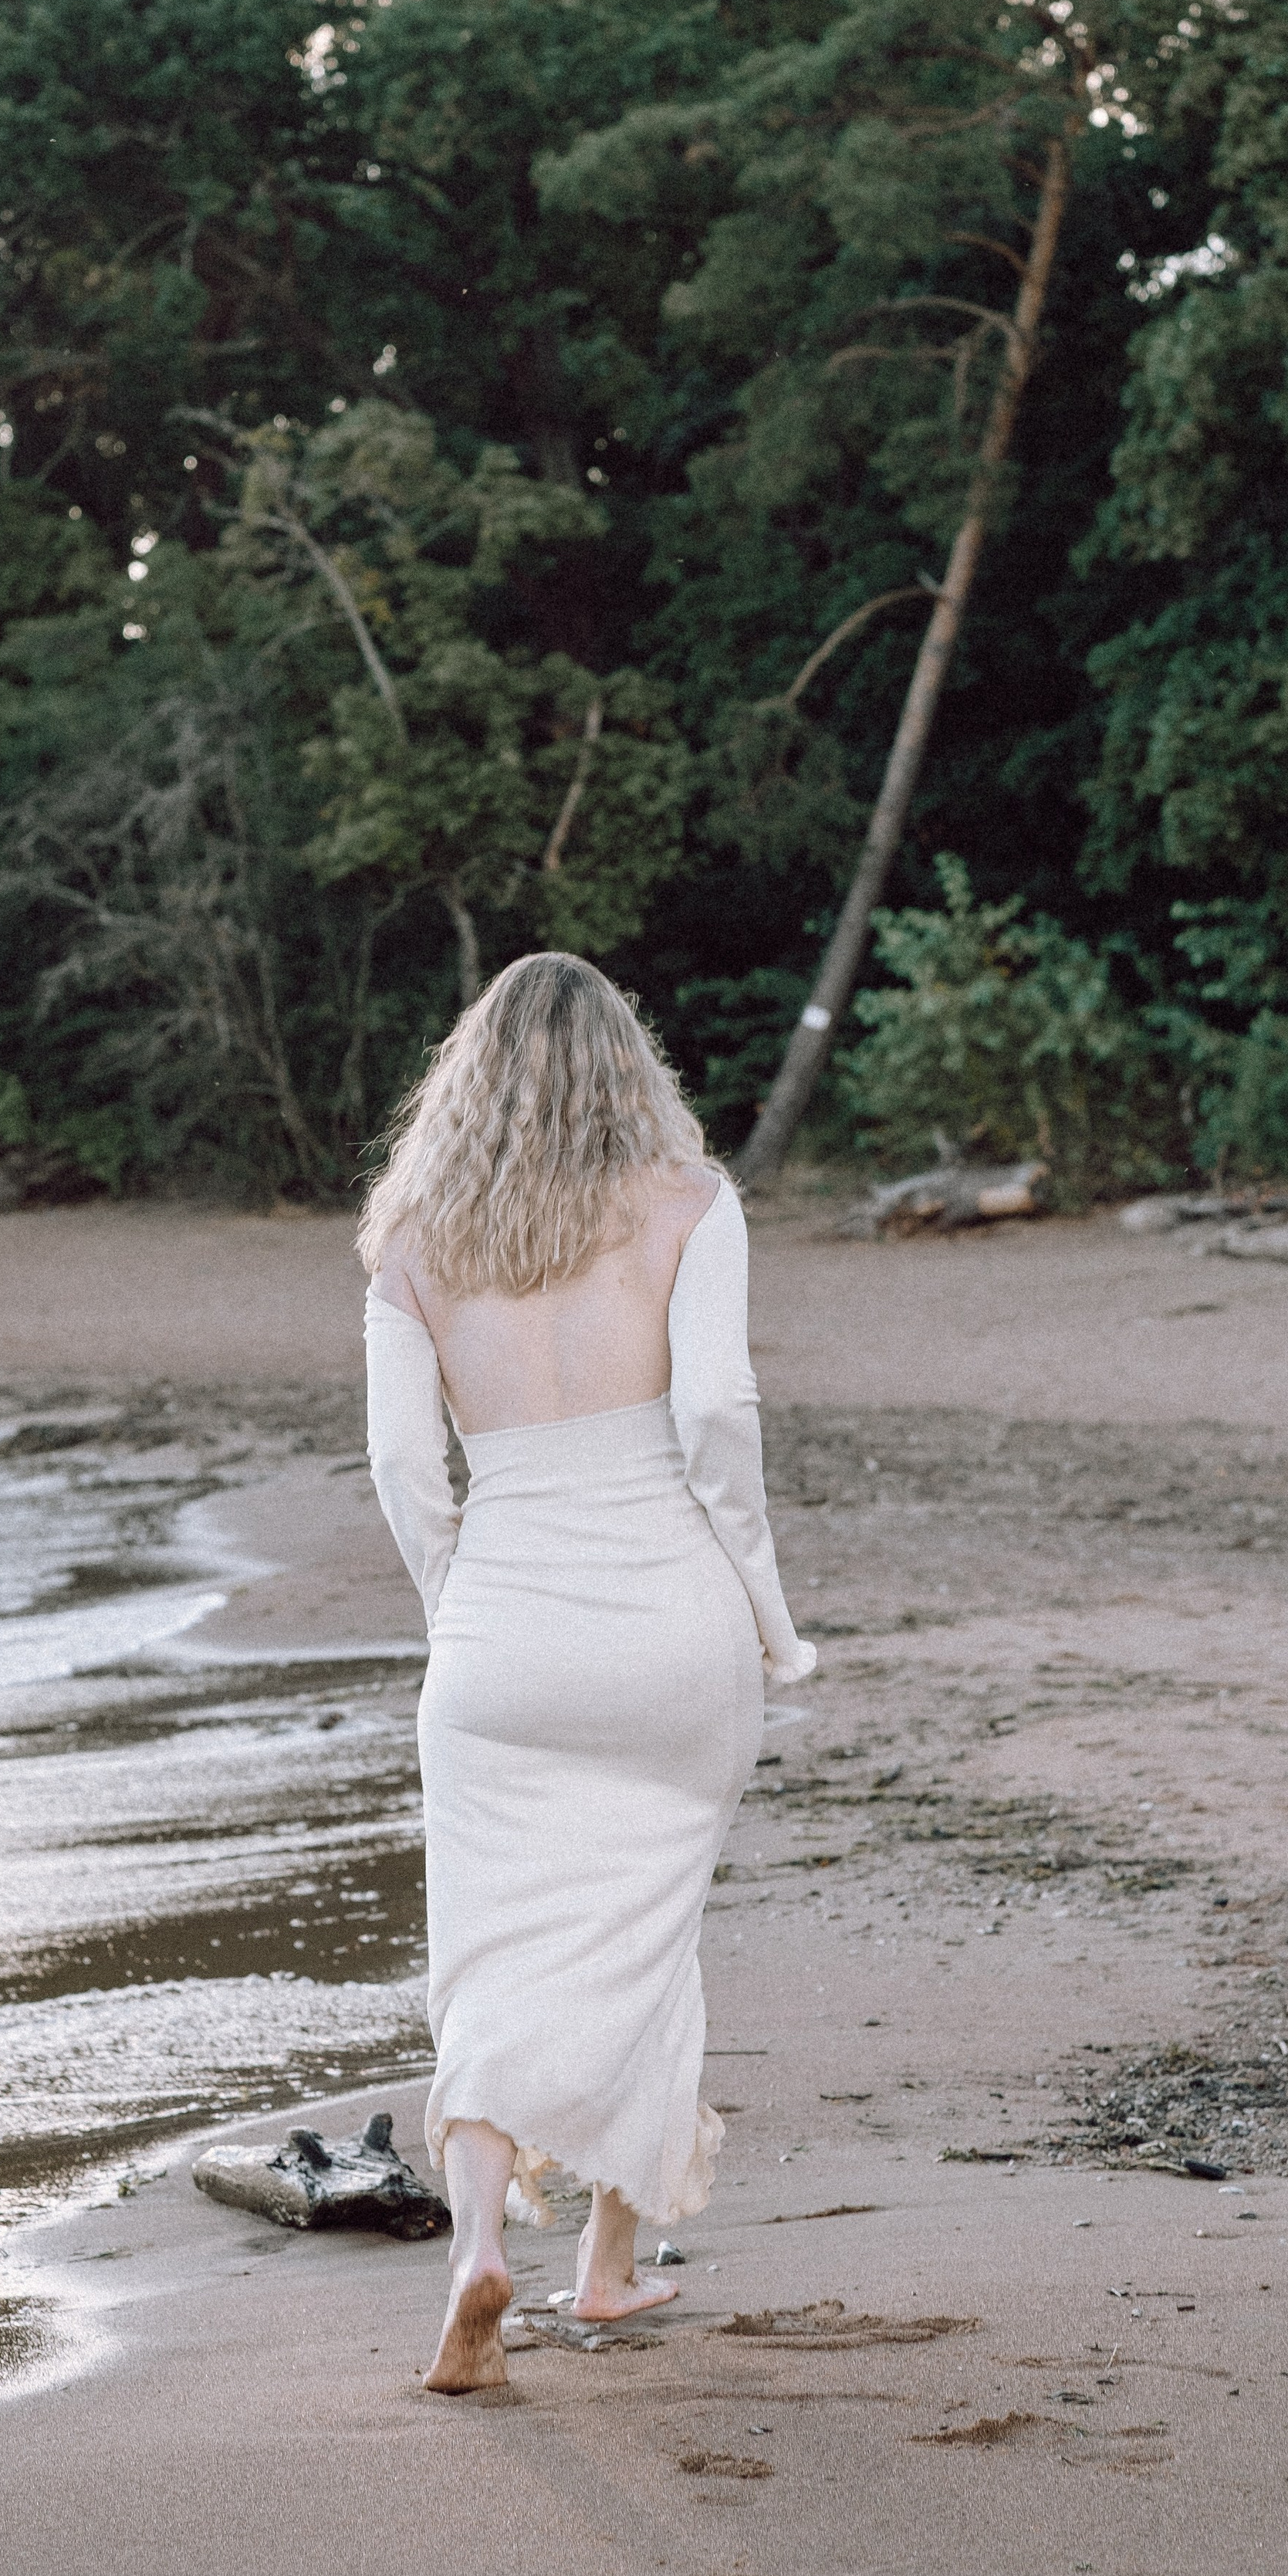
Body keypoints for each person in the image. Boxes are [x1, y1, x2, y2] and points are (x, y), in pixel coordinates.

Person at [359, 952, 816, 2394]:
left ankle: (480, 2246)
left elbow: (399, 1470)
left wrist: (463, 1608)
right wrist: (768, 1613)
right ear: (633, 1063)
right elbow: (717, 1419)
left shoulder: (414, 1244)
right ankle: (608, 2270)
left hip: (503, 1634)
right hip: (667, 1623)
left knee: (492, 1956)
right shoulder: (692, 1206)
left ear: (467, 1077)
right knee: (649, 1930)